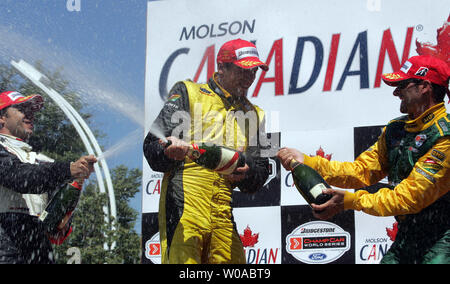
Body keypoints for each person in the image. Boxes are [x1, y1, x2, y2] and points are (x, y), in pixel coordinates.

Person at [277, 55, 450, 264]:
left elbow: (408, 198)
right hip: (408, 236)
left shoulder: (444, 137)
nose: (396, 92)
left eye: (402, 85)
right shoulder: (396, 129)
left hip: (442, 238)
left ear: (425, 87)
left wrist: (351, 201)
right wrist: (308, 161)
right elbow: (361, 171)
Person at [143, 39, 270, 264]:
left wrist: (247, 173)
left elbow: (263, 173)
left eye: (254, 71)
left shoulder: (259, 114)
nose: (249, 77)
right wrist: (168, 152)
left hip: (223, 209)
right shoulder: (187, 91)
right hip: (184, 204)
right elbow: (151, 146)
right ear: (221, 67)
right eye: (243, 70)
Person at [0, 91, 97, 264]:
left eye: (32, 110)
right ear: (2, 118)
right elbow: (19, 177)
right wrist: (68, 169)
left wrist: (74, 186)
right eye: (22, 109)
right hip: (5, 243)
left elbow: (55, 231)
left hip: (38, 248)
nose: (30, 115)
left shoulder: (41, 160)